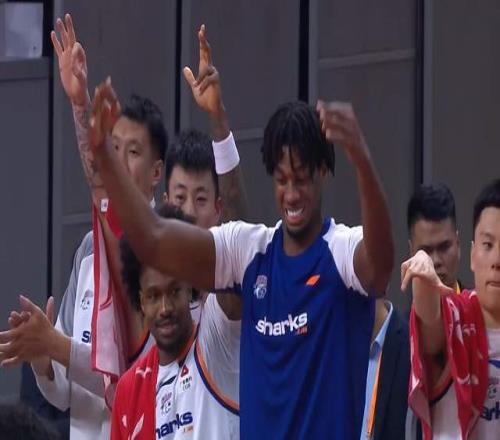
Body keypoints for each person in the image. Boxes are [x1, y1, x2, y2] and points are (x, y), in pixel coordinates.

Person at [89, 70, 394, 437]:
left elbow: (380, 268)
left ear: (323, 173)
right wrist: (103, 153)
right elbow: (152, 239)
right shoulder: (250, 251)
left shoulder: (341, 250)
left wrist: (361, 159)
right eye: (282, 180)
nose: (291, 194)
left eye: (301, 179)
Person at [0, 21, 243, 439]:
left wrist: (55, 345)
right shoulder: (87, 251)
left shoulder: (167, 259)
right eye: (114, 148)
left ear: (156, 172)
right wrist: (43, 358)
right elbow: (65, 393)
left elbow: (130, 368)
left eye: (133, 151)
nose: (119, 161)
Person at [112, 204, 239, 439]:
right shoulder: (128, 390)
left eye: (174, 291)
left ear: (189, 286)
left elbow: (235, 259)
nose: (165, 309)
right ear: (141, 301)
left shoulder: (217, 341)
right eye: (153, 296)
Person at [403, 178, 500, 439]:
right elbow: (429, 318)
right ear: (472, 253)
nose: (497, 260)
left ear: (457, 245)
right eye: (488, 245)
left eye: (444, 247)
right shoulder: (456, 321)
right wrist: (422, 277)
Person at [407, 183, 462, 292]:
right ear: (412, 253)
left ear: (458, 244)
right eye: (425, 251)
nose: (435, 261)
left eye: (444, 248)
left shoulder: (482, 303)